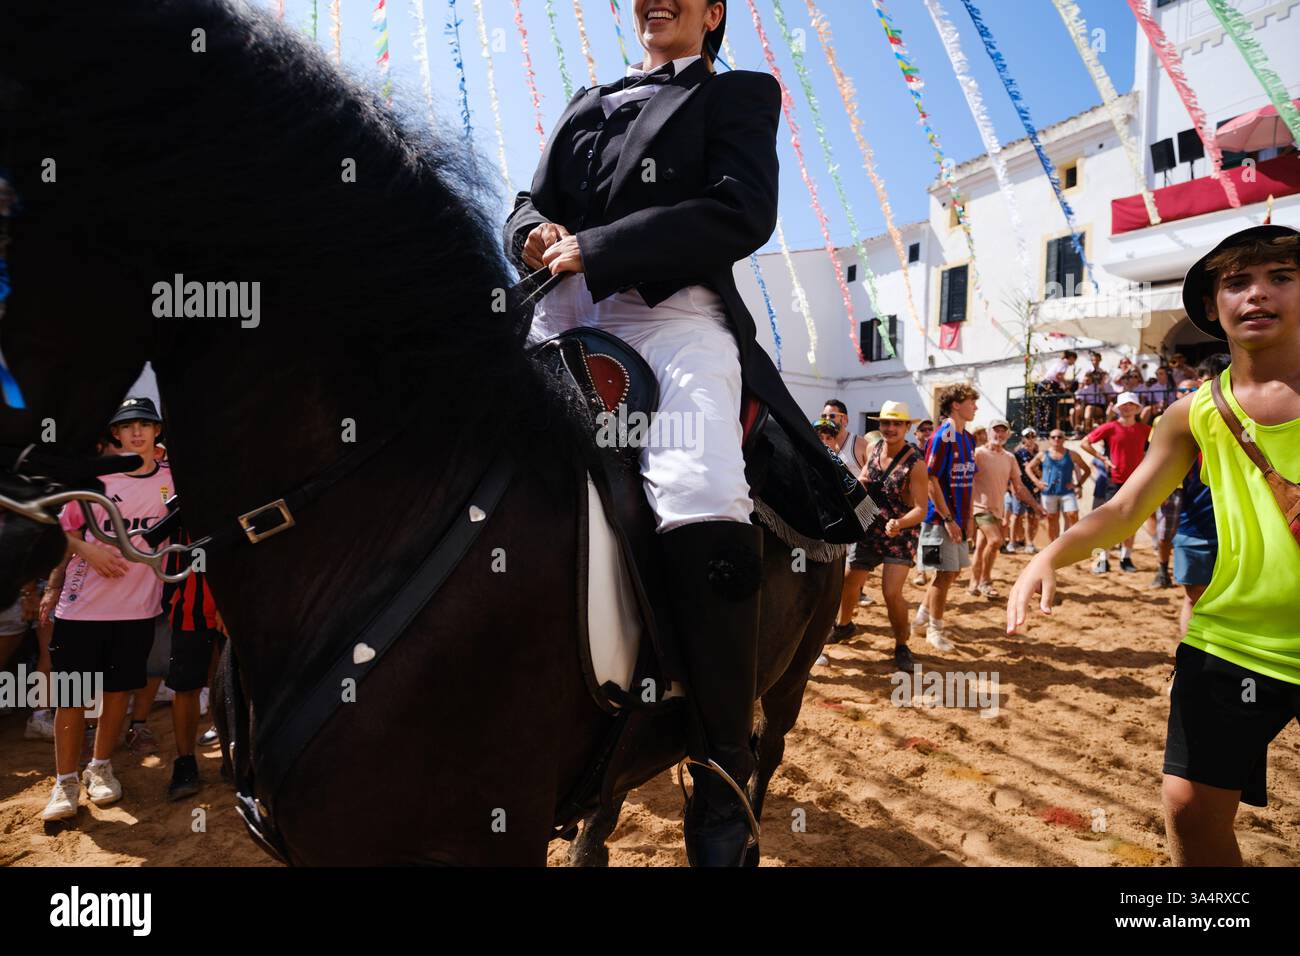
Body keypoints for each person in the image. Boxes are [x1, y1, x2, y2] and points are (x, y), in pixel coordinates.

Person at [502, 0, 865, 866]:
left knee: (700, 489)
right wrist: (536, 234)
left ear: (711, 14)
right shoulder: (586, 102)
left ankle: (723, 770)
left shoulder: (740, 92)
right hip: (555, 317)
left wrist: (601, 244)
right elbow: (525, 202)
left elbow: (741, 212)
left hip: (671, 318)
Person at [1009, 224, 1300, 866]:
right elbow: (1124, 508)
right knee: (1189, 810)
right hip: (1229, 640)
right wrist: (1047, 556)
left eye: (1281, 275)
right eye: (1237, 281)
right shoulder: (1194, 412)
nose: (1257, 293)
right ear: (1212, 307)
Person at [42, 397, 174, 822]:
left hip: (137, 610)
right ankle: (64, 782)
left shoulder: (174, 482)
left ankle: (100, 768)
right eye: (128, 425)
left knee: (118, 693)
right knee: (71, 698)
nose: (137, 432)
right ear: (114, 434)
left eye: (145, 425)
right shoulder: (93, 481)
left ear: (158, 433)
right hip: (82, 610)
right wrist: (88, 552)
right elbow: (54, 531)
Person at [832, 402, 927, 671]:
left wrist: (900, 523)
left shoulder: (916, 463)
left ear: (907, 427)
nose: (890, 428)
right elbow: (864, 478)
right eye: (886, 423)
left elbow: (922, 508)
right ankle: (844, 626)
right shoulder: (873, 449)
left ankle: (901, 645)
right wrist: (851, 490)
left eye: (897, 423)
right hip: (870, 527)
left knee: (891, 592)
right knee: (849, 581)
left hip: (901, 534)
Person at [911, 384, 978, 652]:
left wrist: (968, 517)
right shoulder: (943, 436)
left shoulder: (969, 438)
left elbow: (969, 479)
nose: (975, 406)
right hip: (940, 519)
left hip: (959, 517)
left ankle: (921, 618)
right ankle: (934, 630)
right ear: (955, 405)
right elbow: (930, 478)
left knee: (953, 572)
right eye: (971, 401)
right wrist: (948, 518)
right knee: (944, 573)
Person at [969, 421, 1043, 598]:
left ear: (1008, 435)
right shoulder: (977, 454)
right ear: (988, 432)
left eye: (1003, 431)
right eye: (996, 430)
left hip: (997, 509)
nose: (999, 434)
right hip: (978, 507)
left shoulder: (1009, 458)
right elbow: (964, 479)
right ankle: (985, 582)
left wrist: (1036, 506)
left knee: (981, 547)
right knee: (995, 541)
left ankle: (973, 582)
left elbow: (1019, 487)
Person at [1079, 391, 1151, 573]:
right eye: (1123, 405)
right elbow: (1084, 442)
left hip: (1136, 483)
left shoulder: (1145, 430)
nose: (1126, 407)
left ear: (1136, 408)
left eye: (1130, 404)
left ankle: (1126, 558)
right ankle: (1102, 559)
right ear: (1118, 408)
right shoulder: (1110, 427)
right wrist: (1102, 458)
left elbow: (1159, 448)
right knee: (1108, 522)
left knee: (1131, 522)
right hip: (1113, 481)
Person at [1026, 429, 1089, 542]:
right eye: (1053, 437)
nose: (1056, 439)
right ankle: (1053, 545)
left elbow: (1087, 470)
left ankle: (1073, 542)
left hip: (1067, 492)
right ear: (1049, 439)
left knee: (1073, 514)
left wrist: (1078, 485)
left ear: (1064, 439)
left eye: (1059, 437)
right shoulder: (1043, 454)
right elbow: (1028, 468)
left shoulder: (1072, 454)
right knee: (1051, 518)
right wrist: (1037, 482)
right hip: (1048, 492)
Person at [1007, 428, 1042, 553]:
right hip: (1020, 487)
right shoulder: (1018, 453)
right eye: (1028, 436)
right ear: (1023, 438)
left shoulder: (1038, 453)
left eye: (1032, 436)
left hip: (1034, 488)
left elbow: (1040, 471)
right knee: (1016, 515)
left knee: (1031, 516)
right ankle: (1012, 542)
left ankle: (1029, 542)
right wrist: (1012, 487)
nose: (1030, 438)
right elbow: (1012, 471)